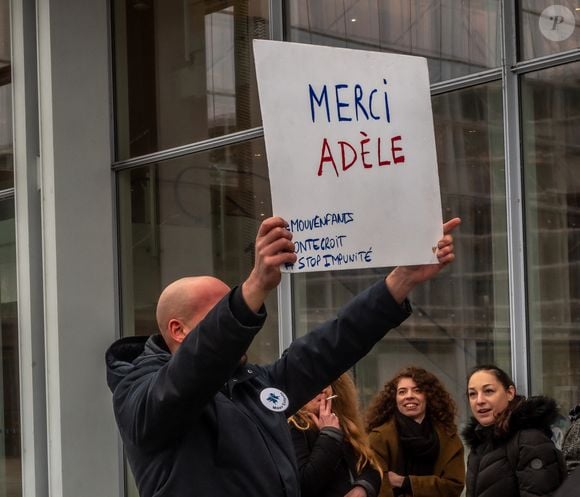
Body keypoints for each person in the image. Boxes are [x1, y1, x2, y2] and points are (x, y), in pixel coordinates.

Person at [105, 215, 460, 497]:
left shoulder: (251, 385)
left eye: (235, 307)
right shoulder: (140, 395)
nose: (239, 321)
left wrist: (401, 281)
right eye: (221, 314)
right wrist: (253, 288)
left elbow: (328, 347)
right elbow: (187, 380)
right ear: (178, 330)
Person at [463, 365, 566, 497]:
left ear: (510, 393)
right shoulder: (480, 443)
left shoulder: (530, 440)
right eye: (472, 394)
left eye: (488, 391)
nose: (479, 400)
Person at [365, 366, 465, 497]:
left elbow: (453, 486)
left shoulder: (449, 437)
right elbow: (379, 487)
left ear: (429, 396)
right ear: (394, 399)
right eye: (402, 392)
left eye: (417, 390)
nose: (409, 396)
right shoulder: (378, 438)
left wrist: (405, 482)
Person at [289, 373, 382, 497]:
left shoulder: (343, 423)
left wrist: (362, 488)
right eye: (312, 382)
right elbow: (304, 485)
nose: (323, 388)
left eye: (326, 381)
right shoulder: (293, 426)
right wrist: (329, 436)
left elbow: (370, 466)